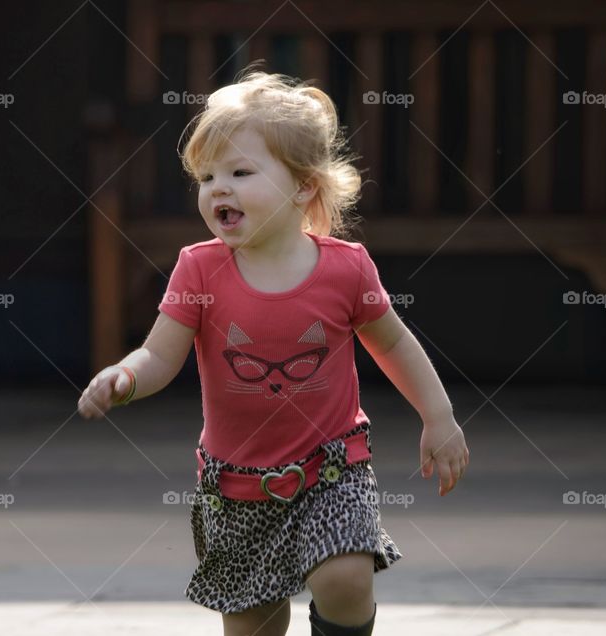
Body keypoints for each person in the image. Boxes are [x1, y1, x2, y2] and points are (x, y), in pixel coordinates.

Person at [78, 66, 470, 636]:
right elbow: (160, 356)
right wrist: (125, 375)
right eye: (207, 176)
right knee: (253, 623)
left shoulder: (346, 267)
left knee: (345, 577)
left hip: (332, 468)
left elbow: (393, 344)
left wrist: (439, 417)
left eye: (240, 172)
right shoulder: (199, 267)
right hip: (237, 485)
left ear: (304, 185)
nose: (219, 188)